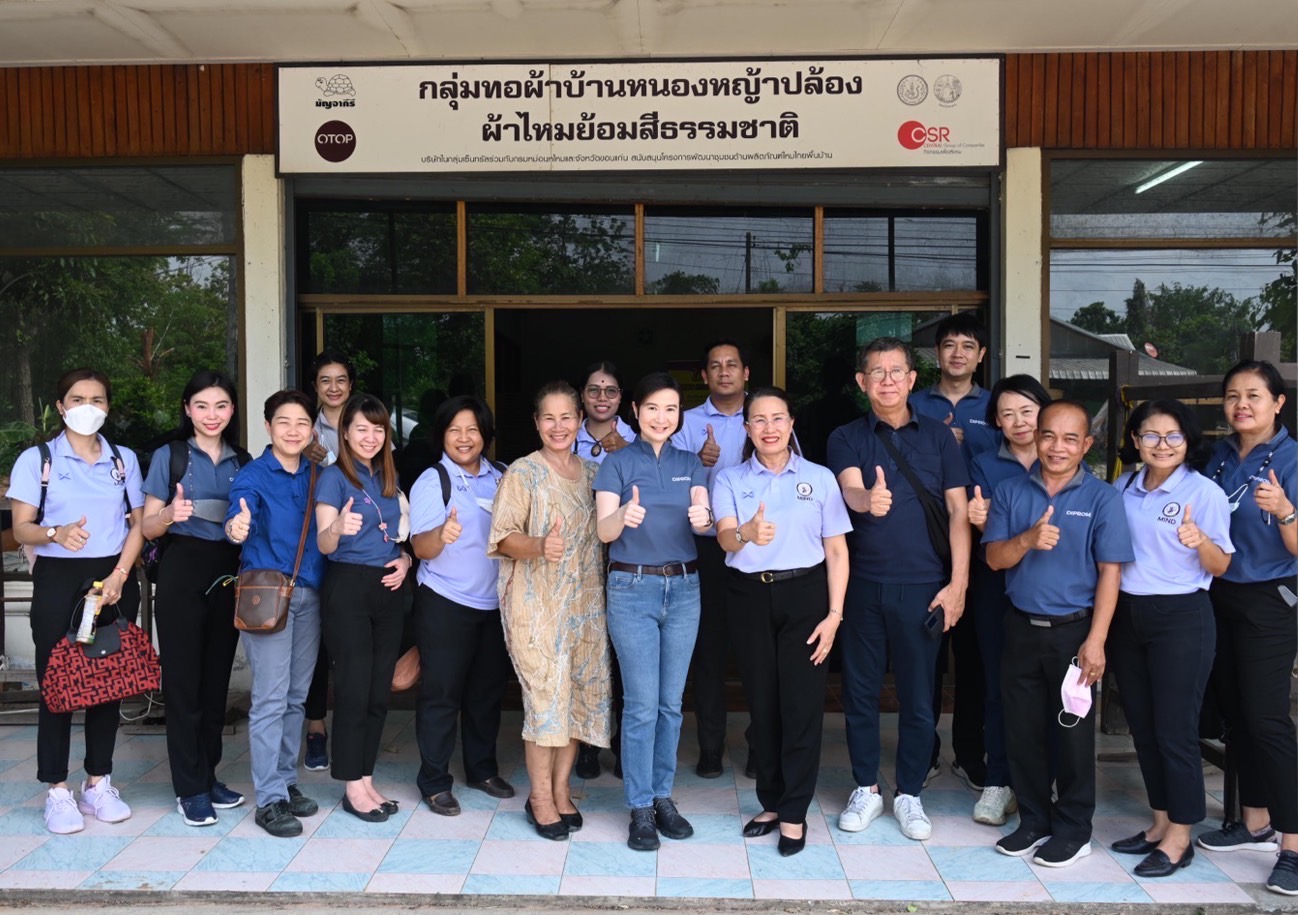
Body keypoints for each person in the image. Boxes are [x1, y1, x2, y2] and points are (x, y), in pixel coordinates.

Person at [827, 338, 970, 842]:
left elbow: (958, 511)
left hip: (925, 586)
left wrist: (958, 584)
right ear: (861, 382)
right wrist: (868, 499)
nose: (887, 380)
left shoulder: (939, 438)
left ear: (912, 380)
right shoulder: (846, 436)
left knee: (919, 697)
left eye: (896, 372)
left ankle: (909, 791)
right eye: (876, 372)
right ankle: (866, 787)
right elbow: (849, 488)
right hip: (864, 585)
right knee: (860, 693)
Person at [983, 399, 1133, 868]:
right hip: (1020, 628)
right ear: (1036, 437)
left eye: (1070, 439)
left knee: (1072, 735)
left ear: (1087, 444)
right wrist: (1027, 540)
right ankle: (1034, 821)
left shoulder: (1103, 498)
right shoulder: (1011, 490)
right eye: (1048, 435)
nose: (1057, 447)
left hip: (1075, 632)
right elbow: (994, 559)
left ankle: (1074, 829)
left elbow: (1111, 572)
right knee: (1022, 732)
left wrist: (1097, 641)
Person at [713, 387, 851, 857]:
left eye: (778, 418)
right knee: (763, 705)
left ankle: (794, 811)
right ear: (747, 429)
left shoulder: (820, 478)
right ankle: (771, 802)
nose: (769, 428)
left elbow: (837, 550)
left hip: (806, 595)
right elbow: (726, 539)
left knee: (801, 706)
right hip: (749, 597)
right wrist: (746, 533)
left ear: (792, 424)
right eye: (759, 419)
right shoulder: (730, 479)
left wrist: (834, 615)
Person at [6, 368, 144, 835]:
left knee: (108, 681)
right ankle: (57, 789)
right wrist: (56, 532)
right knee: (58, 683)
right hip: (58, 578)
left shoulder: (123, 459)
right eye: (78, 399)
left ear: (108, 407)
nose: (88, 407)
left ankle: (98, 782)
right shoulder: (38, 460)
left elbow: (138, 524)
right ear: (61, 407)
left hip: (113, 577)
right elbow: (20, 527)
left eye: (97, 399)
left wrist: (121, 574)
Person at [1107, 400, 1233, 877]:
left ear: (1188, 440)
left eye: (1173, 436)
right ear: (1135, 440)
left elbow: (1222, 565)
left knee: (1175, 729)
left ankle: (1181, 836)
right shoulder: (1123, 487)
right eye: (1151, 435)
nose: (1162, 445)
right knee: (1142, 725)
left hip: (1181, 616)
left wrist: (1200, 541)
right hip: (1128, 614)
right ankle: (1160, 823)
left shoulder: (1204, 492)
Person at [488, 381, 611, 841]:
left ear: (579, 420)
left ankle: (561, 791)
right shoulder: (523, 473)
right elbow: (502, 537)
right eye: (548, 418)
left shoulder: (595, 473)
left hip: (585, 605)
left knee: (575, 697)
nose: (558, 426)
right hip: (535, 606)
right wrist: (540, 545)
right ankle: (539, 796)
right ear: (537, 423)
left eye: (566, 417)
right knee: (545, 699)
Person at [595, 372, 713, 851]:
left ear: (679, 415)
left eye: (670, 409)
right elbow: (603, 531)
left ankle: (663, 796)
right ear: (635, 411)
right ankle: (640, 806)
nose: (661, 417)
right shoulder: (617, 463)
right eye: (652, 408)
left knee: (670, 704)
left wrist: (704, 518)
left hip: (684, 587)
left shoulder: (691, 463)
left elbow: (703, 515)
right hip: (632, 588)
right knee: (642, 705)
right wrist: (622, 515)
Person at [1195, 360, 1298, 897]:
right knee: (1236, 713)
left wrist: (1285, 511)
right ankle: (1254, 822)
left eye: (1254, 395)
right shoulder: (1218, 456)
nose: (1242, 405)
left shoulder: (1293, 458)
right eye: (1233, 395)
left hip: (1270, 598)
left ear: (1278, 403)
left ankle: (1293, 844)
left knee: (1267, 718)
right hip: (1220, 593)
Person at [142, 370, 250, 827]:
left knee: (215, 682)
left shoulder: (243, 461)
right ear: (187, 409)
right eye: (202, 406)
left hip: (227, 571)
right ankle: (189, 788)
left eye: (221, 406)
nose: (212, 415)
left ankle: (208, 775)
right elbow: (147, 526)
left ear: (232, 410)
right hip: (181, 569)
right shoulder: (170, 456)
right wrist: (169, 513)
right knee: (183, 683)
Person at [224, 389, 326, 838]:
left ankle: (285, 782)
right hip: (267, 596)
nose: (293, 431)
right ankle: (268, 799)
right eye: (284, 422)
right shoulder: (253, 475)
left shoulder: (319, 474)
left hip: (310, 596)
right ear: (268, 426)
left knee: (296, 696)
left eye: (302, 423)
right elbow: (236, 516)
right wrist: (237, 526)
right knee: (270, 697)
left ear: (312, 430)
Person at [410, 395, 514, 816]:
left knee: (486, 693)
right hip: (445, 602)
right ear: (442, 436)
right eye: (454, 430)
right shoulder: (432, 480)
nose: (464, 438)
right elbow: (421, 547)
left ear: (485, 434)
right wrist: (442, 535)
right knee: (441, 693)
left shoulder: (503, 475)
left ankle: (482, 769)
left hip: (495, 604)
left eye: (472, 429)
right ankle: (435, 781)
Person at [314, 393, 414, 822]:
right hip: (348, 588)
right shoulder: (333, 478)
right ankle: (351, 785)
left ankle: (367, 778)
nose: (370, 437)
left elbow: (397, 536)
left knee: (378, 690)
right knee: (354, 689)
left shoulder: (388, 478)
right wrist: (337, 527)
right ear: (345, 433)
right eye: (361, 428)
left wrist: (406, 560)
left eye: (378, 429)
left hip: (388, 588)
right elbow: (324, 543)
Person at [910, 313, 998, 793]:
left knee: (974, 655)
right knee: (925, 654)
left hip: (983, 547)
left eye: (968, 345)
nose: (958, 353)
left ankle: (968, 751)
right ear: (937, 354)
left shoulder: (997, 406)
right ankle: (923, 751)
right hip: (926, 541)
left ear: (980, 355)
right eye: (949, 345)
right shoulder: (915, 403)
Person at [965, 375, 1052, 826]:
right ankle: (999, 780)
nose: (1019, 422)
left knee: (1051, 688)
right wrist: (982, 522)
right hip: (997, 589)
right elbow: (989, 533)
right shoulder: (984, 464)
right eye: (1007, 414)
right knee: (1000, 685)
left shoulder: (1063, 460)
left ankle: (1043, 780)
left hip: (1056, 592)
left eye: (1027, 411)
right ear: (996, 422)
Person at [670, 340, 754, 779]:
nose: (724, 372)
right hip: (704, 549)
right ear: (703, 376)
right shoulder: (685, 423)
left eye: (732, 365)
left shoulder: (765, 415)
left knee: (758, 651)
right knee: (709, 652)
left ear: (745, 372)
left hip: (757, 548)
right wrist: (697, 463)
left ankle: (760, 747)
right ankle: (710, 748)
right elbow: (670, 482)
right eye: (715, 366)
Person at [572, 360, 635, 780]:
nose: (601, 397)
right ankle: (588, 745)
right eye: (594, 389)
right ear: (582, 395)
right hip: (577, 561)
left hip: (623, 557)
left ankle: (624, 745)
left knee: (625, 655)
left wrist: (625, 452)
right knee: (587, 656)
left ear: (620, 398)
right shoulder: (565, 435)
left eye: (610, 390)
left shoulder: (637, 438)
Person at [302, 350, 356, 773]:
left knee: (351, 643)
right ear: (316, 387)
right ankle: (316, 727)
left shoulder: (366, 423)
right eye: (325, 380)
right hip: (315, 542)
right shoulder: (304, 429)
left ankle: (353, 734)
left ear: (350, 385)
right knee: (315, 642)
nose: (333, 387)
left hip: (359, 546)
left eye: (340, 380)